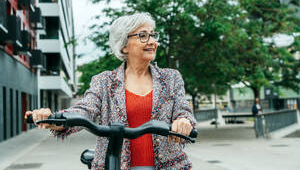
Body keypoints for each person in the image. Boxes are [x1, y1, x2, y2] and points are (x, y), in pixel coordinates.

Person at [25, 13, 196, 170]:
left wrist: (183, 121)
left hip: (169, 165)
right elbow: (84, 110)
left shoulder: (171, 78)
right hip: (115, 165)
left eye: (153, 35)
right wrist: (55, 119)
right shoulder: (104, 82)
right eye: (143, 36)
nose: (152, 41)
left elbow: (183, 110)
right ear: (124, 46)